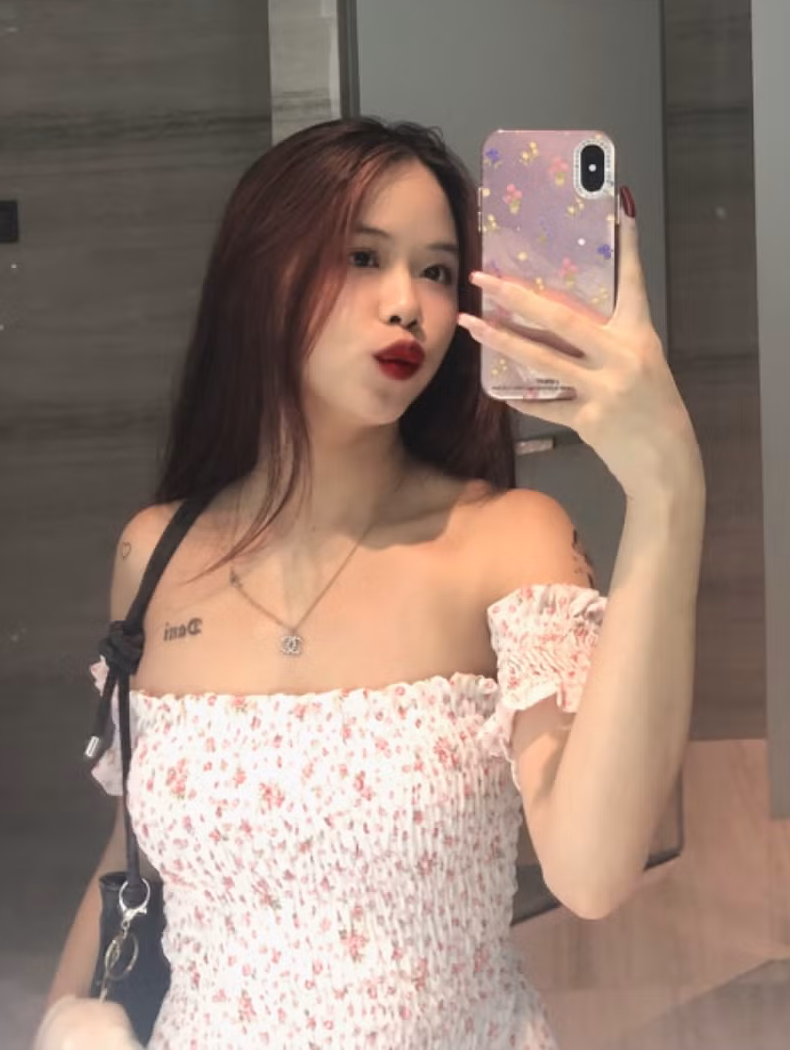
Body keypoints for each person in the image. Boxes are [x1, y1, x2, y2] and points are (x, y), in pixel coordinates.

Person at [36, 118, 706, 1049]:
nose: (409, 305)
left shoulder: (507, 542)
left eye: (437, 271)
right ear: (262, 271)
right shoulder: (156, 554)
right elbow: (132, 855)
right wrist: (60, 1022)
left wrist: (669, 489)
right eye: (363, 257)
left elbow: (591, 873)